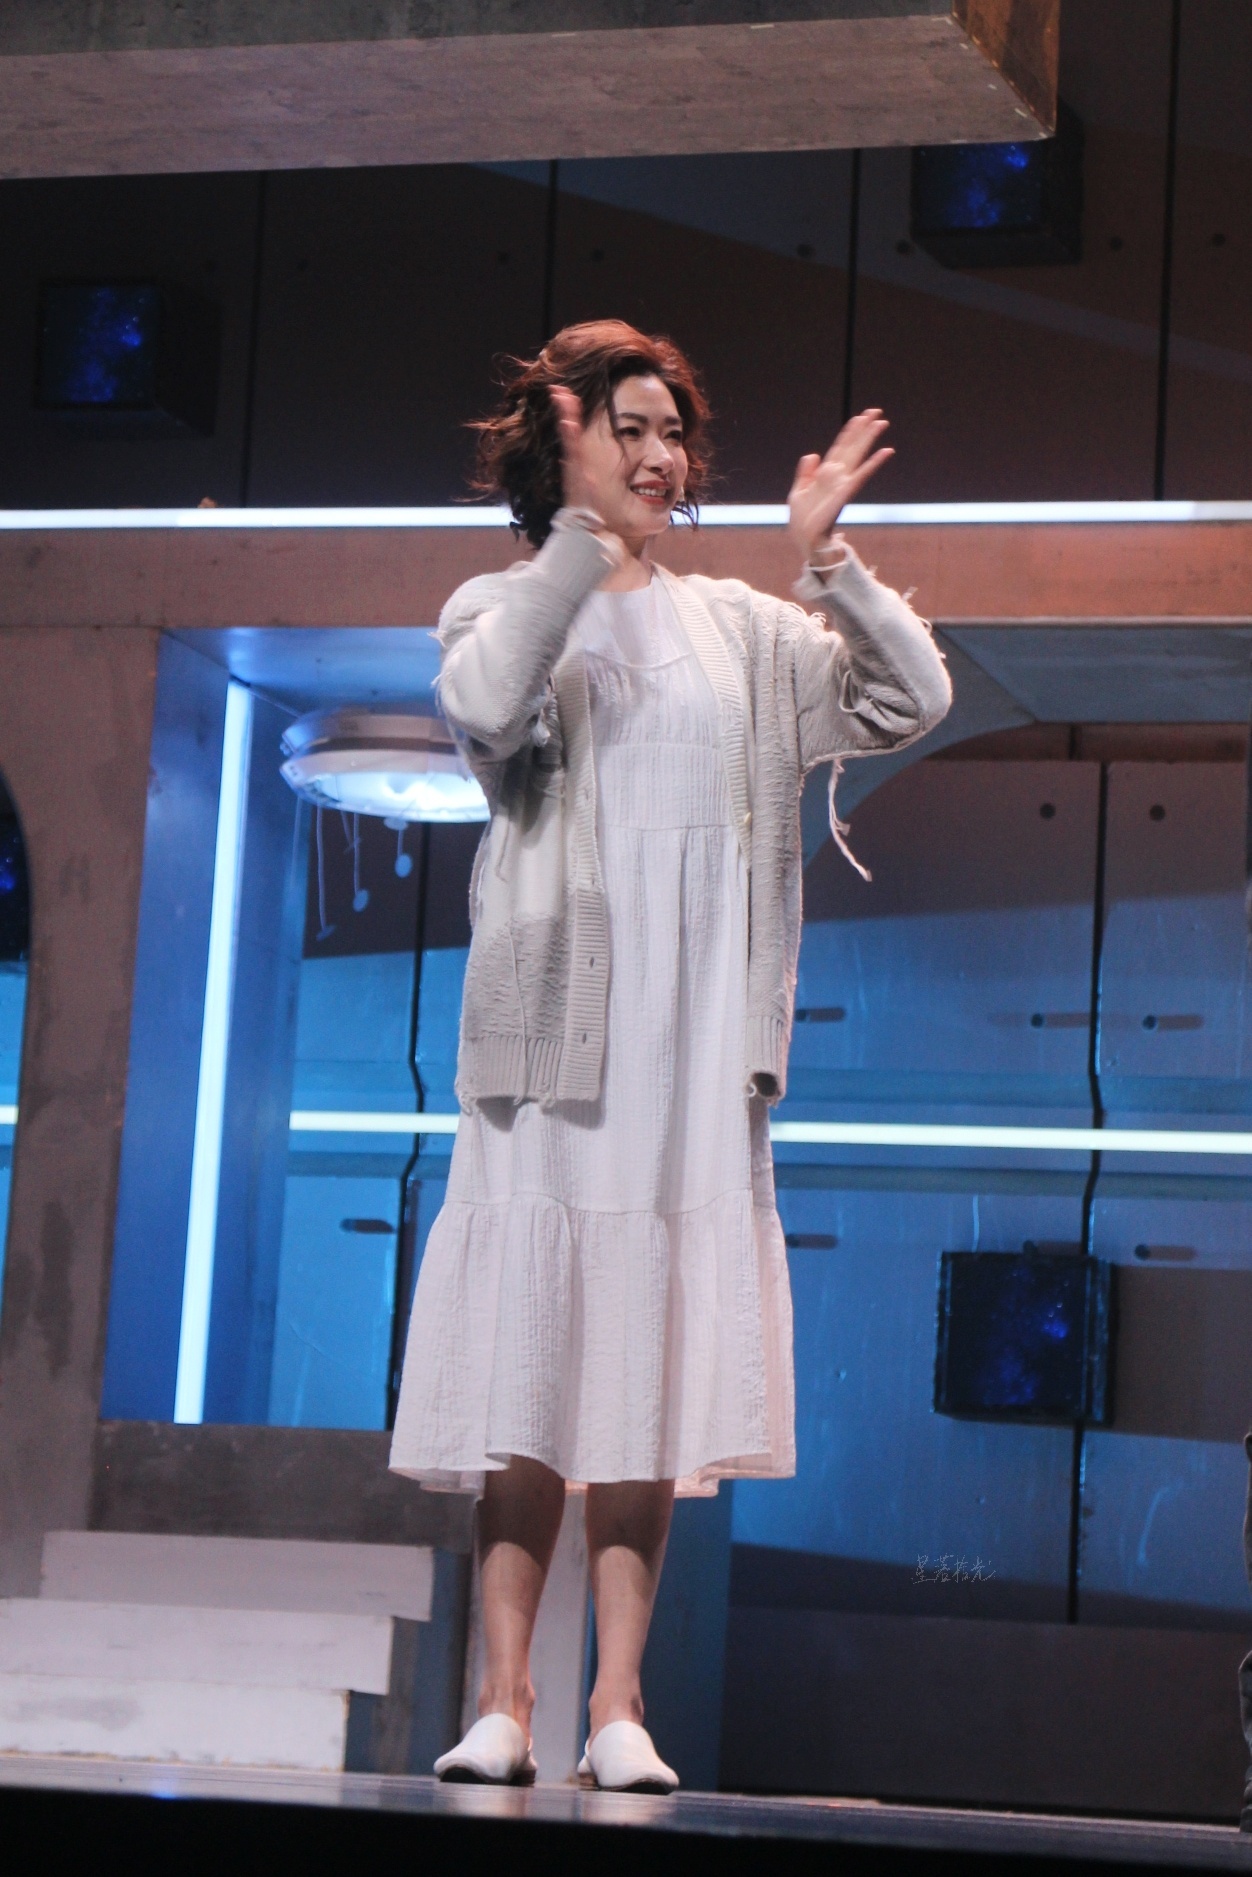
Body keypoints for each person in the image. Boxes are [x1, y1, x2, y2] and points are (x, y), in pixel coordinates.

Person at [389, 319, 951, 1792]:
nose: (658, 454)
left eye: (669, 431)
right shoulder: (503, 603)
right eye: (625, 428)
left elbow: (910, 700)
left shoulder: (739, 629)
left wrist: (831, 565)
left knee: (641, 1373)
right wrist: (576, 542)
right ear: (563, 444)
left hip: (694, 1041)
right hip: (552, 1033)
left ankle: (617, 1705)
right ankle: (504, 1700)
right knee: (529, 1369)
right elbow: (485, 708)